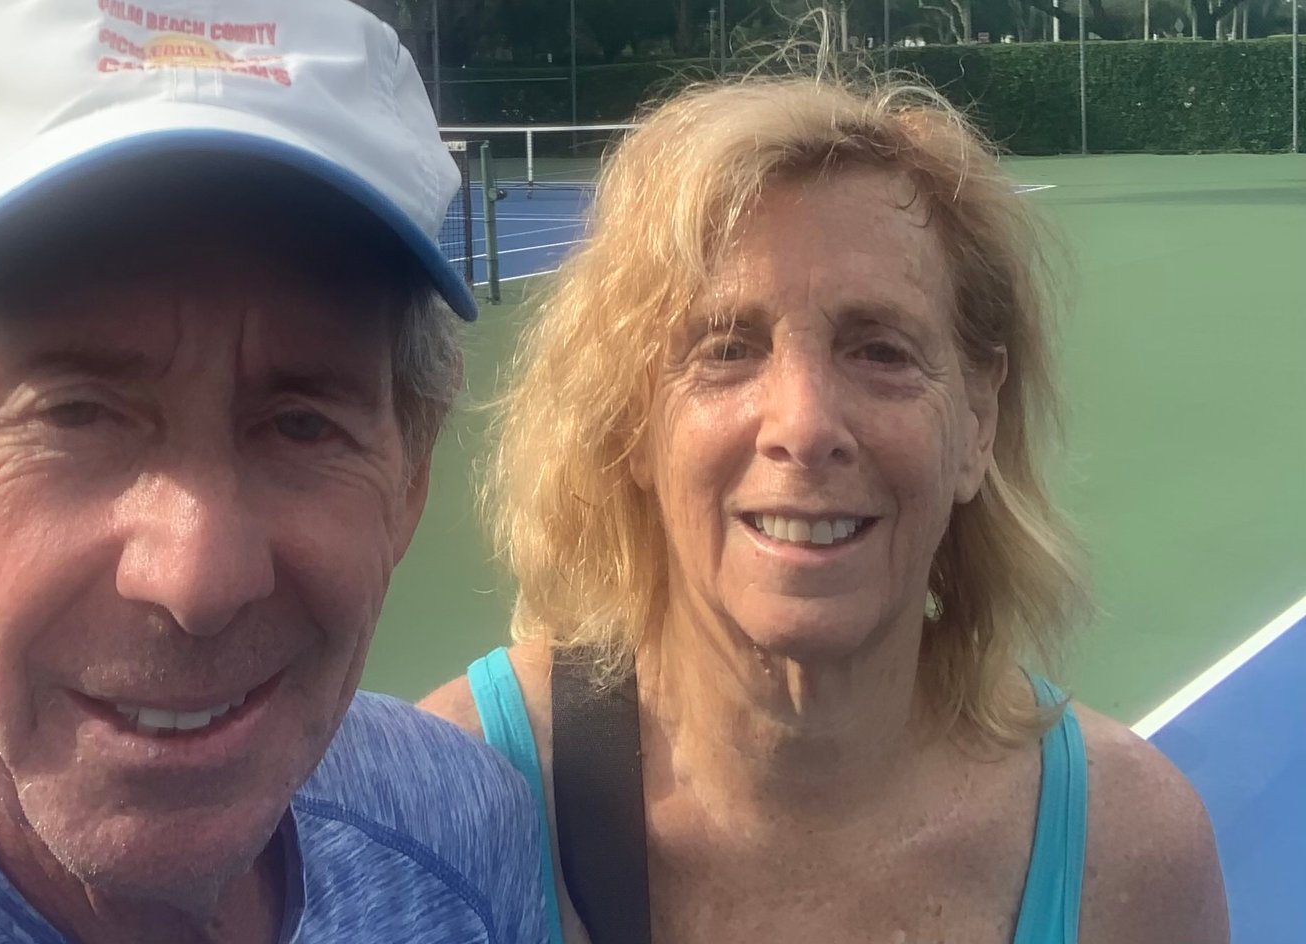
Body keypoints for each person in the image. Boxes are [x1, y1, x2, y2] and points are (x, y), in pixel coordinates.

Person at [0, 0, 548, 944]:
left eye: (300, 422)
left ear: (409, 469)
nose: (195, 577)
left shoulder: (458, 829)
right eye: (75, 413)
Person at [424, 74, 1228, 944]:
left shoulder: (1131, 854)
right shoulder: (443, 815)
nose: (805, 427)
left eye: (880, 350)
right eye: (726, 349)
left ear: (977, 420)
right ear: (632, 422)